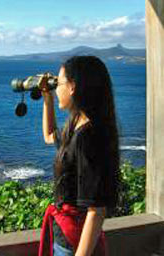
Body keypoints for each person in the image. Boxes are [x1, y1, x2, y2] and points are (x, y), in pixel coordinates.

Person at [38, 56, 120, 256]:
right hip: (65, 236)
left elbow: (96, 210)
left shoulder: (88, 136)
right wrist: (47, 100)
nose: (56, 89)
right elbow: (49, 136)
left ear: (72, 87)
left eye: (58, 83)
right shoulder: (76, 126)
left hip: (75, 242)